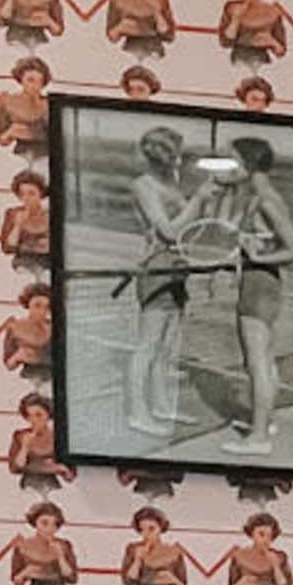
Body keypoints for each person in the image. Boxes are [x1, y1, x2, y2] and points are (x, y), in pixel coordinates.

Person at [121, 118, 200, 443]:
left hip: (178, 269)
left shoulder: (170, 182)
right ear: (165, 156)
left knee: (168, 346)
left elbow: (189, 226)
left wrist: (200, 199)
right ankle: (138, 414)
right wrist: (197, 201)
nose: (181, 160)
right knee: (148, 346)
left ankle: (162, 405)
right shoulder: (144, 185)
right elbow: (168, 231)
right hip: (156, 269)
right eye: (177, 154)